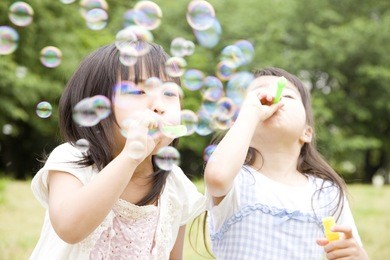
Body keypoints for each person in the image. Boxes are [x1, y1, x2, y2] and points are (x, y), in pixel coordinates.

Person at [30, 42, 206, 260]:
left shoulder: (176, 185)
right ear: (96, 107)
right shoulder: (72, 160)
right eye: (139, 90)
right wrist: (130, 156)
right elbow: (69, 228)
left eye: (169, 92)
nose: (159, 105)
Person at [204, 67, 369, 259]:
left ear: (307, 132)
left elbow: (345, 250)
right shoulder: (236, 180)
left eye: (288, 96)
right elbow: (216, 178)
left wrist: (358, 256)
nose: (272, 96)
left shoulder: (327, 193)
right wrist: (250, 113)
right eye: (256, 95)